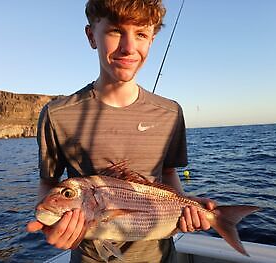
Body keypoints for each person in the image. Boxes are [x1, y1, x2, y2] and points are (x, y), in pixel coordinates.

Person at [27, 0, 216, 262]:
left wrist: (185, 207)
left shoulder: (170, 112)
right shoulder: (56, 114)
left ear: (152, 40)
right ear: (91, 35)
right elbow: (48, 183)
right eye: (115, 31)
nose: (128, 47)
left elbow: (169, 173)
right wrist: (52, 225)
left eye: (141, 34)